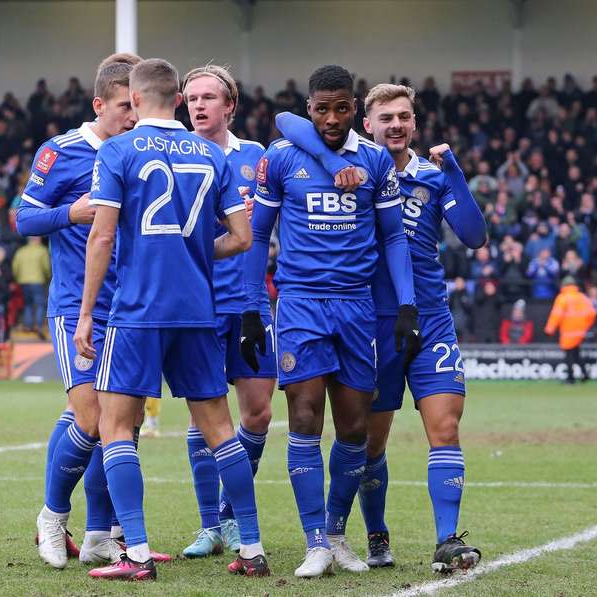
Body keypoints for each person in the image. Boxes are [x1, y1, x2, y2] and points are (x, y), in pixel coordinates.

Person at [276, 81, 487, 573]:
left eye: (404, 117)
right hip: (369, 321)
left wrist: (452, 171)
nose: (396, 125)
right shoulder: (355, 169)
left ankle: (448, 540)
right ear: (365, 124)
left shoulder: (431, 179)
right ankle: (372, 534)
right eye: (386, 117)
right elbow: (289, 124)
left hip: (429, 318)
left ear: (413, 123)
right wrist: (331, 164)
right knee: (369, 440)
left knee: (446, 426)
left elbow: (475, 236)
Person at [74, 58, 266, 581]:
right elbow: (244, 238)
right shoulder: (211, 154)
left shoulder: (117, 150)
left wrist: (87, 312)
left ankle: (134, 554)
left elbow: (103, 236)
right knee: (221, 431)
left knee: (115, 428)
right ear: (179, 99)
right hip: (199, 312)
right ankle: (250, 546)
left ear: (134, 100)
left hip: (136, 312)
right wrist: (196, 250)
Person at [240, 66, 420, 578]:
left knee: (355, 428)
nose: (333, 118)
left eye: (342, 108)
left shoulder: (375, 160)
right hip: (299, 304)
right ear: (310, 106)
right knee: (302, 417)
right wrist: (253, 308)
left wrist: (406, 305)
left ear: (355, 106)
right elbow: (257, 236)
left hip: (357, 306)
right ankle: (314, 540)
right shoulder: (281, 158)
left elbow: (393, 238)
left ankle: (338, 534)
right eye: (322, 108)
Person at [16, 53, 153, 570]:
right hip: (77, 304)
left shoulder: (141, 151)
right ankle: (52, 517)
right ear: (99, 105)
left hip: (134, 304)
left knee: (122, 421)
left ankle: (100, 533)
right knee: (91, 415)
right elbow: (24, 219)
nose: (133, 117)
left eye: (137, 106)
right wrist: (68, 213)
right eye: (124, 107)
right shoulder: (62, 151)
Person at [178, 63, 276, 557]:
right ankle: (210, 526)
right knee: (201, 418)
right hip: (197, 305)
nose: (198, 105)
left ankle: (232, 516)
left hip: (250, 305)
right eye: (191, 97)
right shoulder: (178, 159)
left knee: (257, 413)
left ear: (230, 106)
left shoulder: (257, 158)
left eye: (208, 97)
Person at [545, 276, 596, 383]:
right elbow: (592, 313)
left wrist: (549, 329)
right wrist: (585, 326)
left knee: (569, 355)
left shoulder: (562, 298)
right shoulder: (582, 297)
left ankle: (570, 377)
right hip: (580, 331)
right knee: (576, 353)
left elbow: (556, 315)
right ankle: (584, 374)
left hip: (568, 331)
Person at [11, 236, 51, 336]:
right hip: (38, 280)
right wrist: (48, 277)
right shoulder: (42, 250)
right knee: (40, 304)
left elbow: (15, 267)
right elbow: (46, 267)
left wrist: (18, 278)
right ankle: (38, 325)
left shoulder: (21, 251)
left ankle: (28, 325)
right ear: (37, 240)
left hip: (23, 281)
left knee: (27, 304)